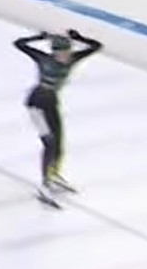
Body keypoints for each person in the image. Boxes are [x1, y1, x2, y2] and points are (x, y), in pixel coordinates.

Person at [14, 29, 104, 208]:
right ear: (54, 53)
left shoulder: (73, 59)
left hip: (51, 103)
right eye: (62, 53)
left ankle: (54, 175)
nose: (66, 56)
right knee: (49, 143)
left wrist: (78, 38)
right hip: (36, 105)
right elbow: (19, 44)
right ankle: (45, 185)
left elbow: (96, 47)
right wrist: (39, 37)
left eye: (68, 52)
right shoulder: (43, 59)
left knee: (59, 142)